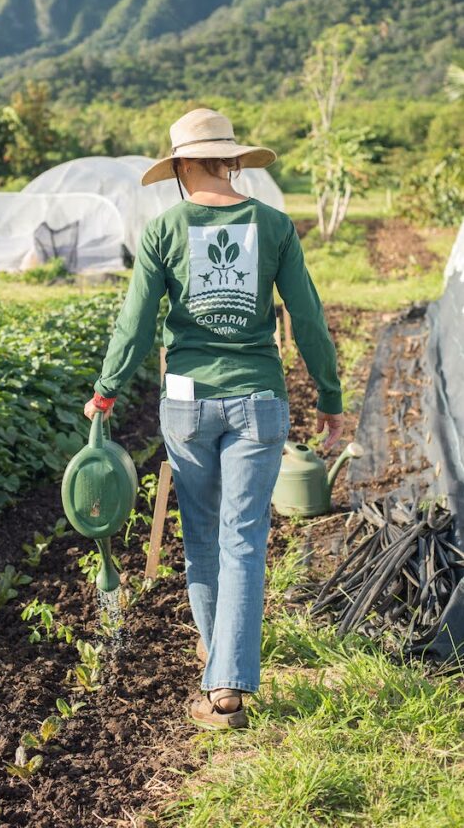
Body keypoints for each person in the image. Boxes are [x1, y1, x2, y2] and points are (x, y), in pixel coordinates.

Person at [84, 107, 344, 730]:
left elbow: (137, 321)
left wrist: (106, 391)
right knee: (244, 538)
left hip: (187, 403)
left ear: (178, 167)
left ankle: (220, 672)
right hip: (258, 400)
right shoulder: (275, 226)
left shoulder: (165, 228)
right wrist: (330, 398)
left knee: (201, 538)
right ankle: (226, 674)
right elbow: (306, 319)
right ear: (231, 160)